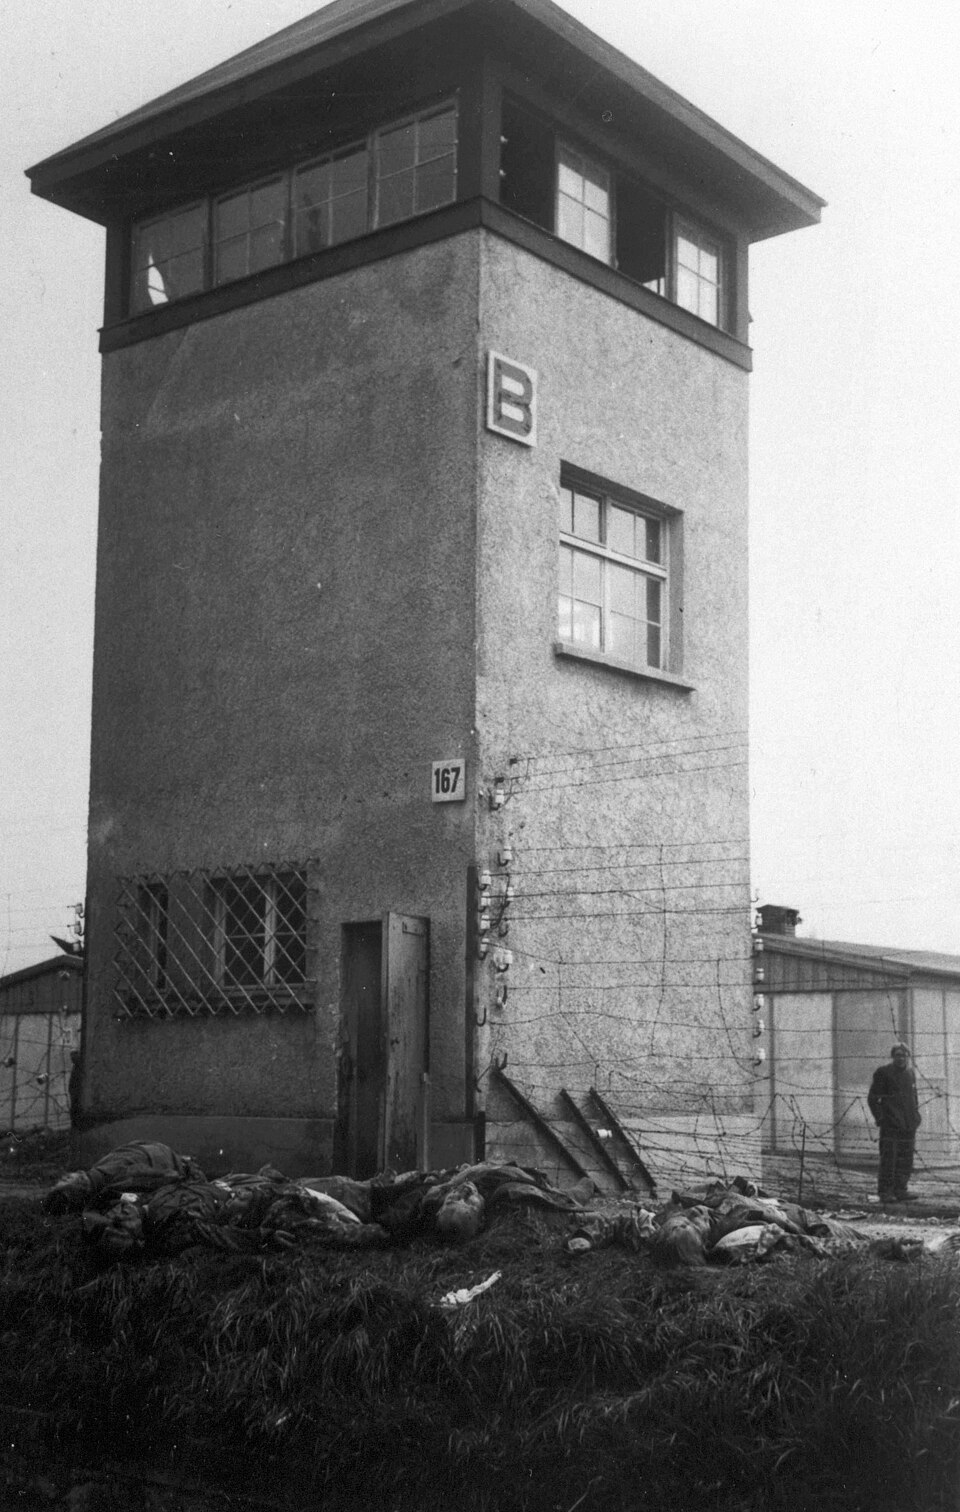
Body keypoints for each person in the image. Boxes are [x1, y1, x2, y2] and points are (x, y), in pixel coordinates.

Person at [867, 1044, 921, 1202]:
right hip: (891, 1124)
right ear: (893, 1056)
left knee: (905, 1158)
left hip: (908, 1125)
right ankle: (885, 1191)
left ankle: (900, 1189)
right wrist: (881, 1118)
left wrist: (916, 1116)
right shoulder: (883, 1073)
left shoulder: (910, 1074)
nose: (901, 1058)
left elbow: (914, 1097)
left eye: (904, 1055)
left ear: (908, 1057)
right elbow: (873, 1098)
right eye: (898, 1055)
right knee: (889, 1158)